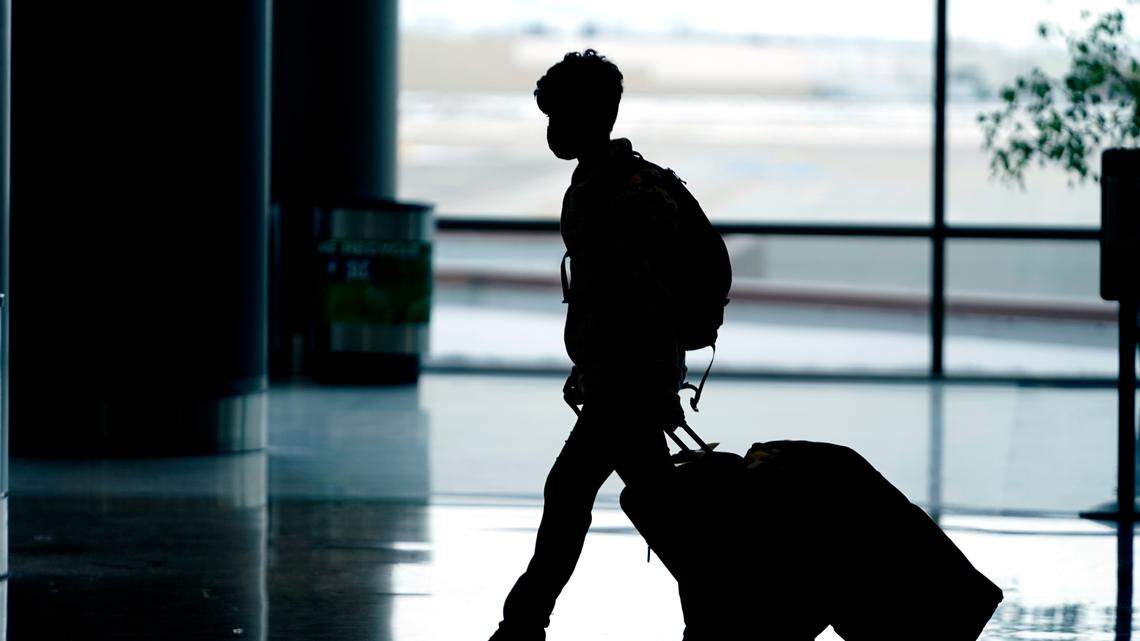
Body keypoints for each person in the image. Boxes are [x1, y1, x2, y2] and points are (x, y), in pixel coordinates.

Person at [489, 49, 696, 641]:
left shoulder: (629, 195)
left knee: (573, 493)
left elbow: (644, 300)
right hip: (619, 377)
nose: (551, 131)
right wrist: (590, 366)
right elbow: (605, 297)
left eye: (559, 117)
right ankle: (720, 612)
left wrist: (649, 378)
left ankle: (521, 623)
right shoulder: (597, 183)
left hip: (630, 381)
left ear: (592, 116)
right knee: (660, 509)